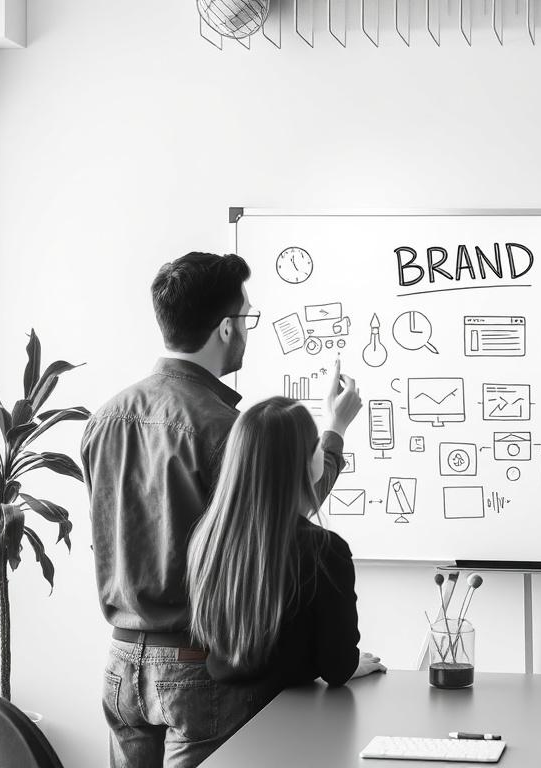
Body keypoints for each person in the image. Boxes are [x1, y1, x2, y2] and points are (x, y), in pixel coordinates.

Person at [81, 252, 364, 768]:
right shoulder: (223, 428)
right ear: (227, 328)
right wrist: (334, 432)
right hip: (194, 664)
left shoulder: (106, 418)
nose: (248, 331)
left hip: (120, 661)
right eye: (248, 319)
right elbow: (284, 519)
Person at [187, 397, 386, 699]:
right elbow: (337, 666)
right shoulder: (324, 550)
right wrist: (350, 666)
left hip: (218, 707)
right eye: (318, 447)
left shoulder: (209, 539)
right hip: (286, 714)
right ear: (305, 463)